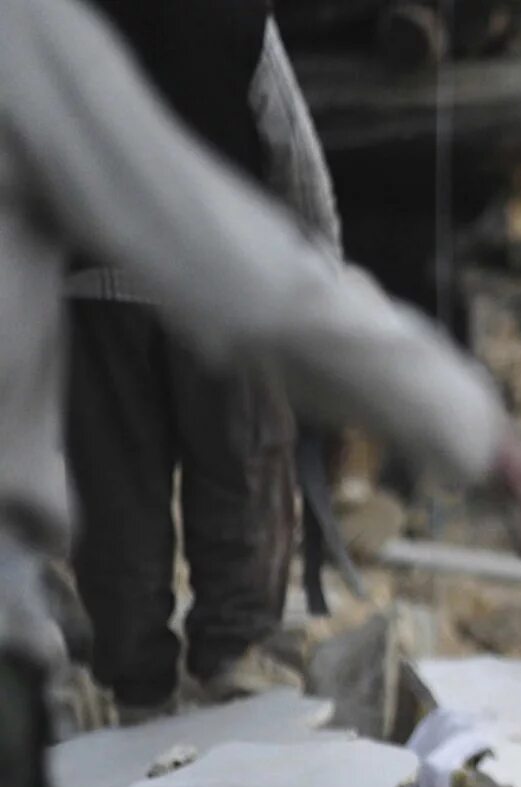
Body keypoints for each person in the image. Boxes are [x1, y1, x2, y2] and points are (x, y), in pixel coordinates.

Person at [0, 0, 521, 787]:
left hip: (83, 301)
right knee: (229, 483)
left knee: (118, 501)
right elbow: (276, 186)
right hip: (180, 283)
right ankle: (224, 674)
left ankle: (139, 680)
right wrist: (456, 409)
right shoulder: (92, 31)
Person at [66, 1, 343, 720]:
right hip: (219, 278)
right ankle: (234, 663)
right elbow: (293, 154)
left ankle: (137, 690)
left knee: (117, 493)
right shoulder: (237, 15)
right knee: (241, 470)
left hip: (96, 282)